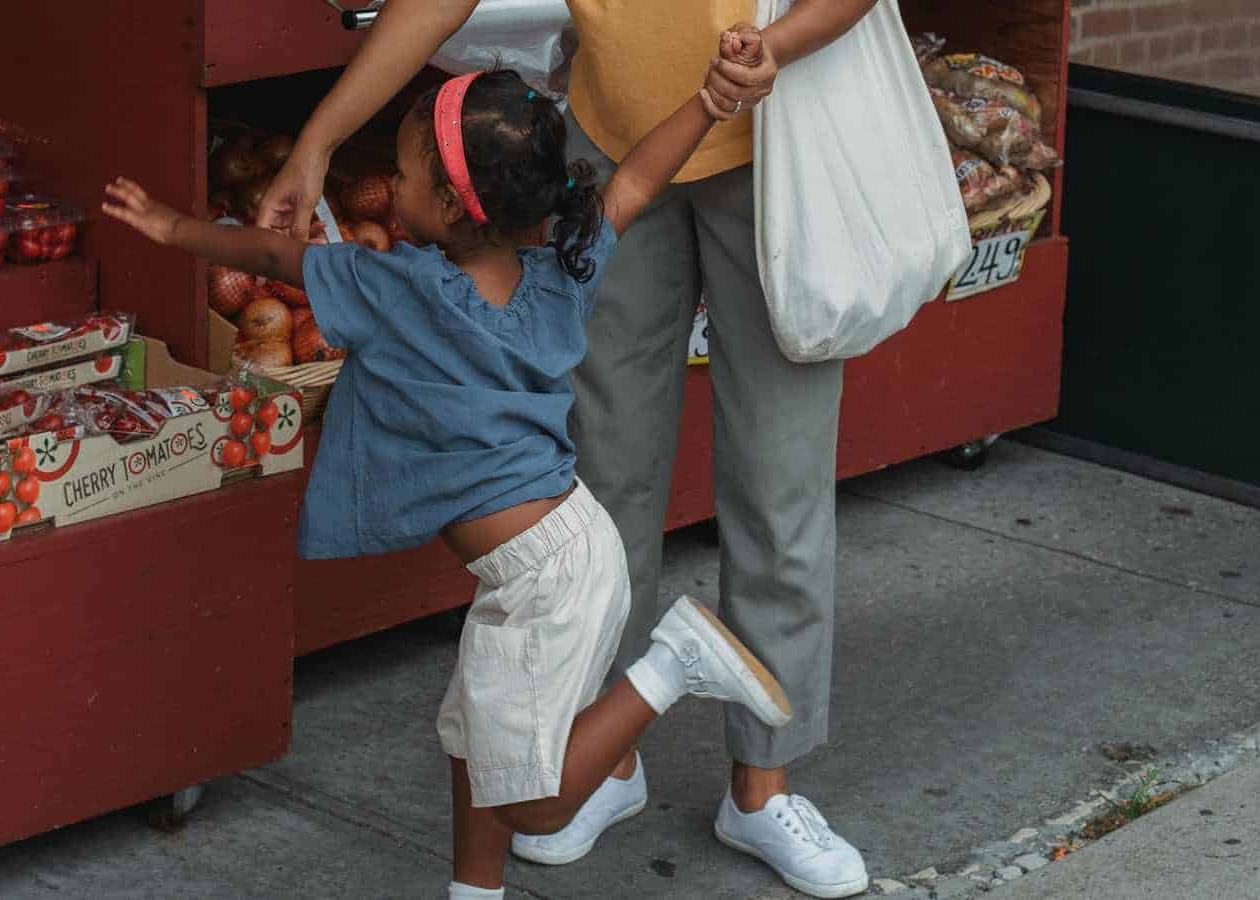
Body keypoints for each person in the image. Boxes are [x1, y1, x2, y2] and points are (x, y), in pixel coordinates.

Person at [103, 67, 795, 900]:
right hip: (558, 555)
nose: (389, 186)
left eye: (402, 174)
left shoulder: (396, 288)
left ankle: (675, 663)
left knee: (535, 804)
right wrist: (710, 102)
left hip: (550, 579)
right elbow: (637, 181)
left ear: (453, 206)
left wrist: (174, 228)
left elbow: (271, 254)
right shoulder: (564, 268)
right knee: (475, 743)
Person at [259, 3, 878, 898]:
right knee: (598, 468)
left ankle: (762, 784)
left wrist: (772, 49)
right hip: (607, 140)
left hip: (778, 140)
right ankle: (604, 760)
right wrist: (319, 140)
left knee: (780, 475)